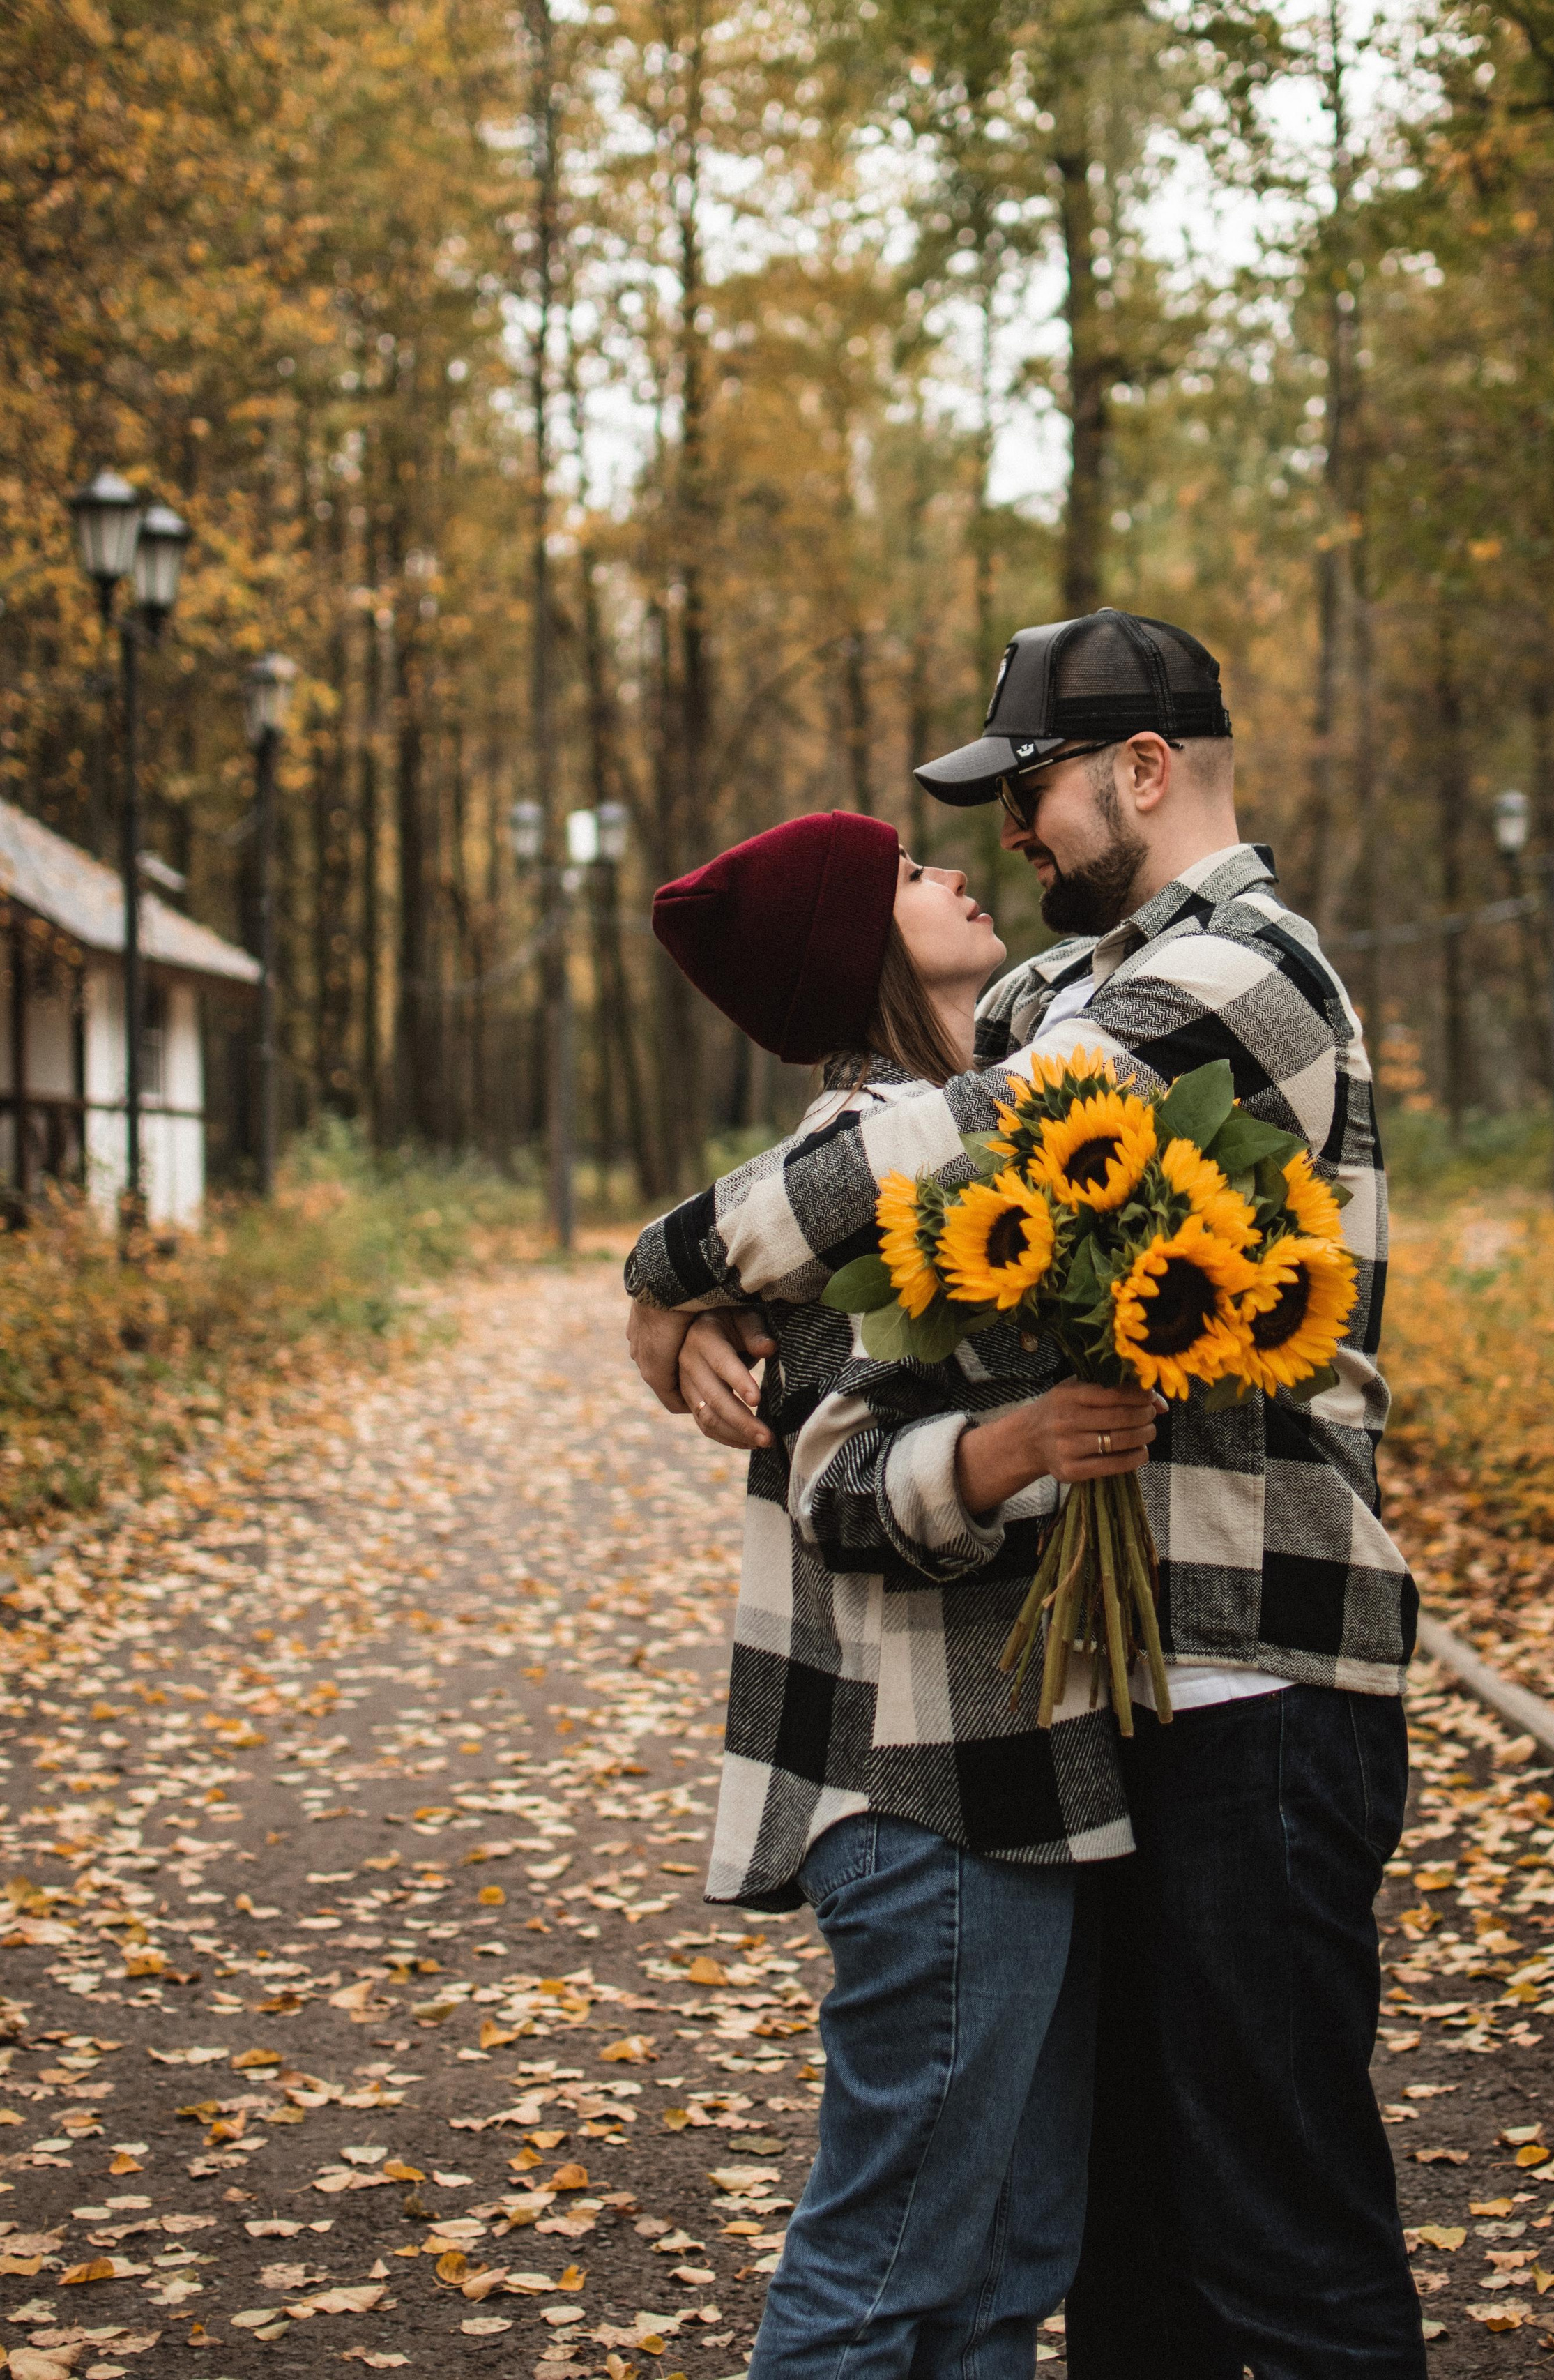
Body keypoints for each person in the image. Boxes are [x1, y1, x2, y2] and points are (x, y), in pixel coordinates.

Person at [629, 610, 1427, 2380]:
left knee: (1282, 2241)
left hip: (1260, 1684)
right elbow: (864, 1139)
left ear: (1145, 772)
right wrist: (692, 1317)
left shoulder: (1246, 974)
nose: (1010, 833)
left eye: (1033, 788)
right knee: (1122, 2250)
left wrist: (656, 1268)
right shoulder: (1045, 987)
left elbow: (960, 1141)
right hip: (1117, 1713)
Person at [643, 806, 1150, 2380]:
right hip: (929, 1806)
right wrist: (1014, 1447)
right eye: (904, 876)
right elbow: (838, 1487)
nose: (950, 872)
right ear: (862, 941)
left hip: (1028, 1789)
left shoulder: (970, 1128)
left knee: (1001, 2274)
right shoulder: (857, 1177)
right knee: (883, 2275)